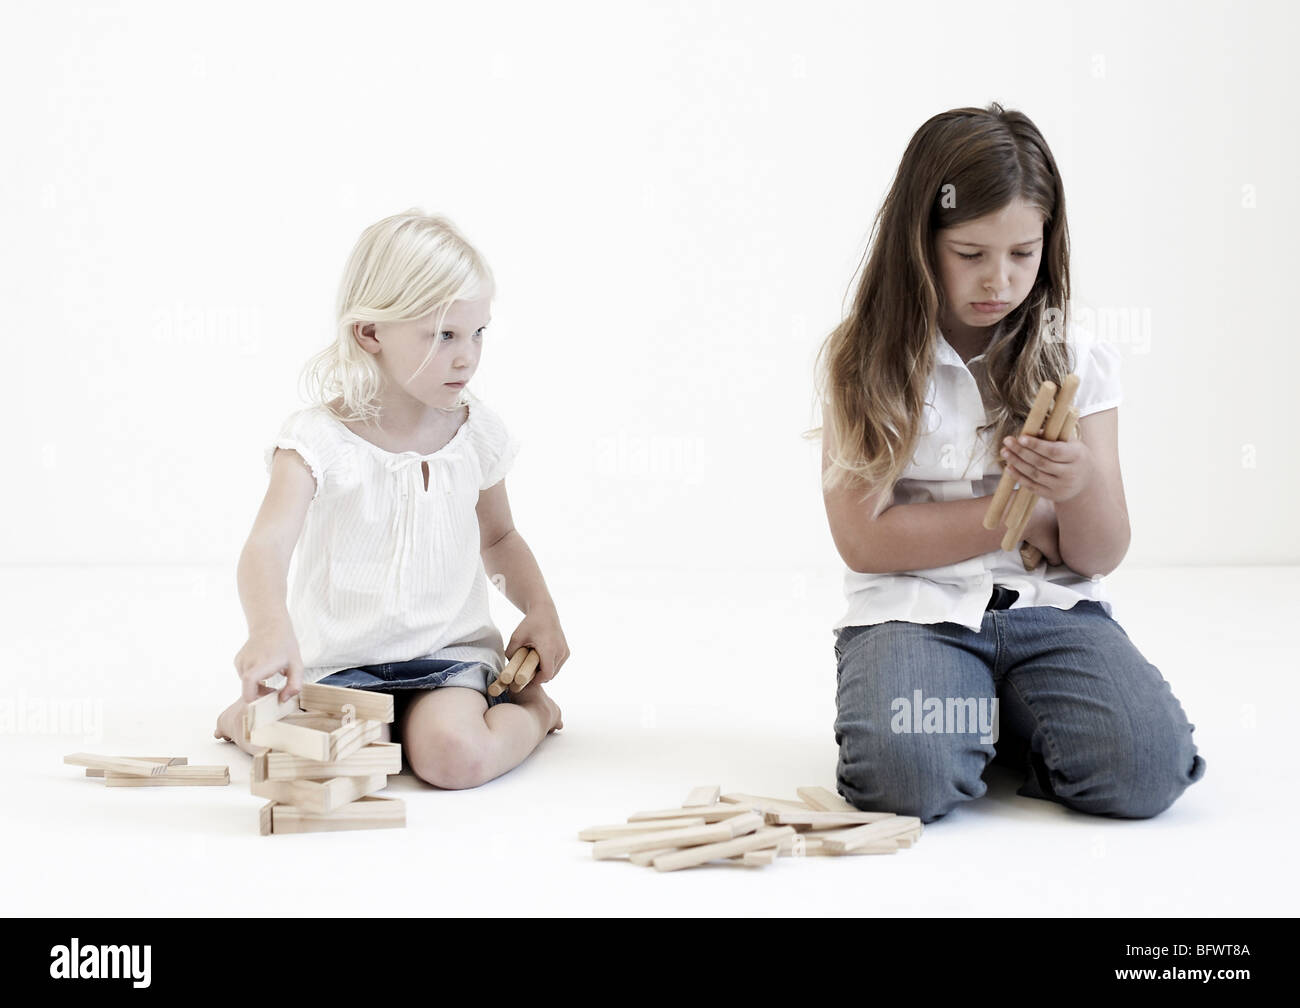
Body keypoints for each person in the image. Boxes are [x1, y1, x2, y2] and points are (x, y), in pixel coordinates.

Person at [813, 103, 1205, 823]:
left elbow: (1101, 552)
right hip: (913, 613)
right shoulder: (862, 357)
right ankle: (974, 718)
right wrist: (1025, 518)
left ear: (1046, 244)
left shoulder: (1078, 358)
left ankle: (1002, 717)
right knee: (906, 782)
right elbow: (868, 542)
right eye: (971, 254)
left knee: (1146, 770)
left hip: (1050, 610)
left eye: (1023, 253)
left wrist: (1077, 488)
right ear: (919, 242)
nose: (1000, 280)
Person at [214, 209, 566, 789]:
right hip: (340, 664)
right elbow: (268, 546)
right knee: (340, 763)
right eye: (444, 334)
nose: (467, 356)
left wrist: (541, 611)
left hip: (446, 656)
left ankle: (535, 711)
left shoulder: (475, 432)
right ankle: (246, 717)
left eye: (478, 332)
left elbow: (499, 538)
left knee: (455, 757)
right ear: (370, 333)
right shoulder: (317, 440)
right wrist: (268, 628)